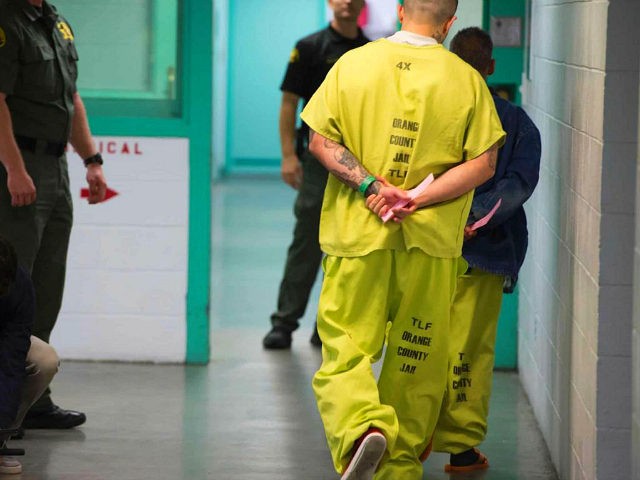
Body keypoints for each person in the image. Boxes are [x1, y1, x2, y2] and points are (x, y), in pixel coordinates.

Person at [300, 0, 506, 478]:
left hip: (359, 239)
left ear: (398, 11)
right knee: (418, 359)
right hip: (430, 247)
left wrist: (373, 186)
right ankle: (398, 469)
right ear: (449, 23)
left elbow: (319, 142)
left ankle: (361, 428)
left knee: (346, 349)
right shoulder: (466, 80)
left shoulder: (353, 65)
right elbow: (485, 164)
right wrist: (417, 198)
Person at [429, 26, 541, 472]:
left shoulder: (432, 115)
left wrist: (454, 222)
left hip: (429, 250)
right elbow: (516, 186)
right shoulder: (515, 123)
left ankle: (412, 436)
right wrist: (474, 222)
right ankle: (459, 448)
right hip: (483, 252)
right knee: (468, 351)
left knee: (419, 339)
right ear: (491, 67)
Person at [0, 0, 108, 429]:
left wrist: (92, 159)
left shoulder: (55, 22)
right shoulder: (7, 22)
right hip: (20, 166)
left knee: (47, 284)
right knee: (13, 288)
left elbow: (72, 98)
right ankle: (5, 402)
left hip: (56, 168)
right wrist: (14, 169)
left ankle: (33, 397)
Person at [262, 0, 369, 350]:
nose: (349, 3)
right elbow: (288, 104)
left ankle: (327, 325)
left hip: (359, 163)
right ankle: (284, 322)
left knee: (348, 246)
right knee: (307, 240)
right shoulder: (309, 47)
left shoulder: (370, 53)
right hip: (315, 162)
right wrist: (287, 155)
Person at [0, 235, 59, 475]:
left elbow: (11, 357)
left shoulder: (18, 283)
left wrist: (1, 421)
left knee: (45, 359)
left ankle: (2, 439)